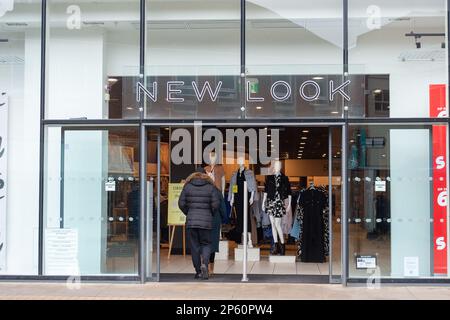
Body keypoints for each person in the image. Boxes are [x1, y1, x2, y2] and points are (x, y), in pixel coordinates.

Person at [178, 169, 220, 280]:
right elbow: (216, 204)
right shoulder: (211, 187)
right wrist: (210, 213)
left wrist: (189, 212)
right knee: (206, 244)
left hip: (192, 221)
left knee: (195, 247)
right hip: (206, 221)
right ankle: (205, 265)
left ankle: (198, 272)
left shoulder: (187, 186)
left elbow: (181, 203)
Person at [209, 186, 227, 276]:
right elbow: (222, 208)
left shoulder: (191, 188)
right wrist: (224, 218)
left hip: (198, 219)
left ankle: (202, 265)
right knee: (212, 244)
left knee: (201, 243)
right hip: (214, 219)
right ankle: (211, 269)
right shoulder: (216, 191)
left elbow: (183, 203)